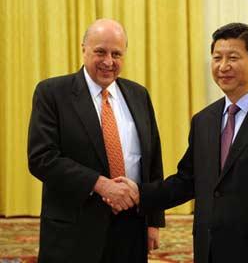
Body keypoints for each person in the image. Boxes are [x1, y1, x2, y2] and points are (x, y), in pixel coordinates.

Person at [115, 22, 248, 263]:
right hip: (210, 250)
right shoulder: (204, 120)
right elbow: (187, 180)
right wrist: (140, 193)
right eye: (216, 57)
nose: (223, 66)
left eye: (233, 57)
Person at [27, 18, 165, 263]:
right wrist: (100, 184)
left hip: (131, 226)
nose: (108, 62)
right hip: (74, 230)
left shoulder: (138, 94)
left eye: (117, 54)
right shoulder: (52, 93)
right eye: (100, 52)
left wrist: (153, 221)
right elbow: (42, 158)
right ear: (83, 49)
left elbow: (152, 161)